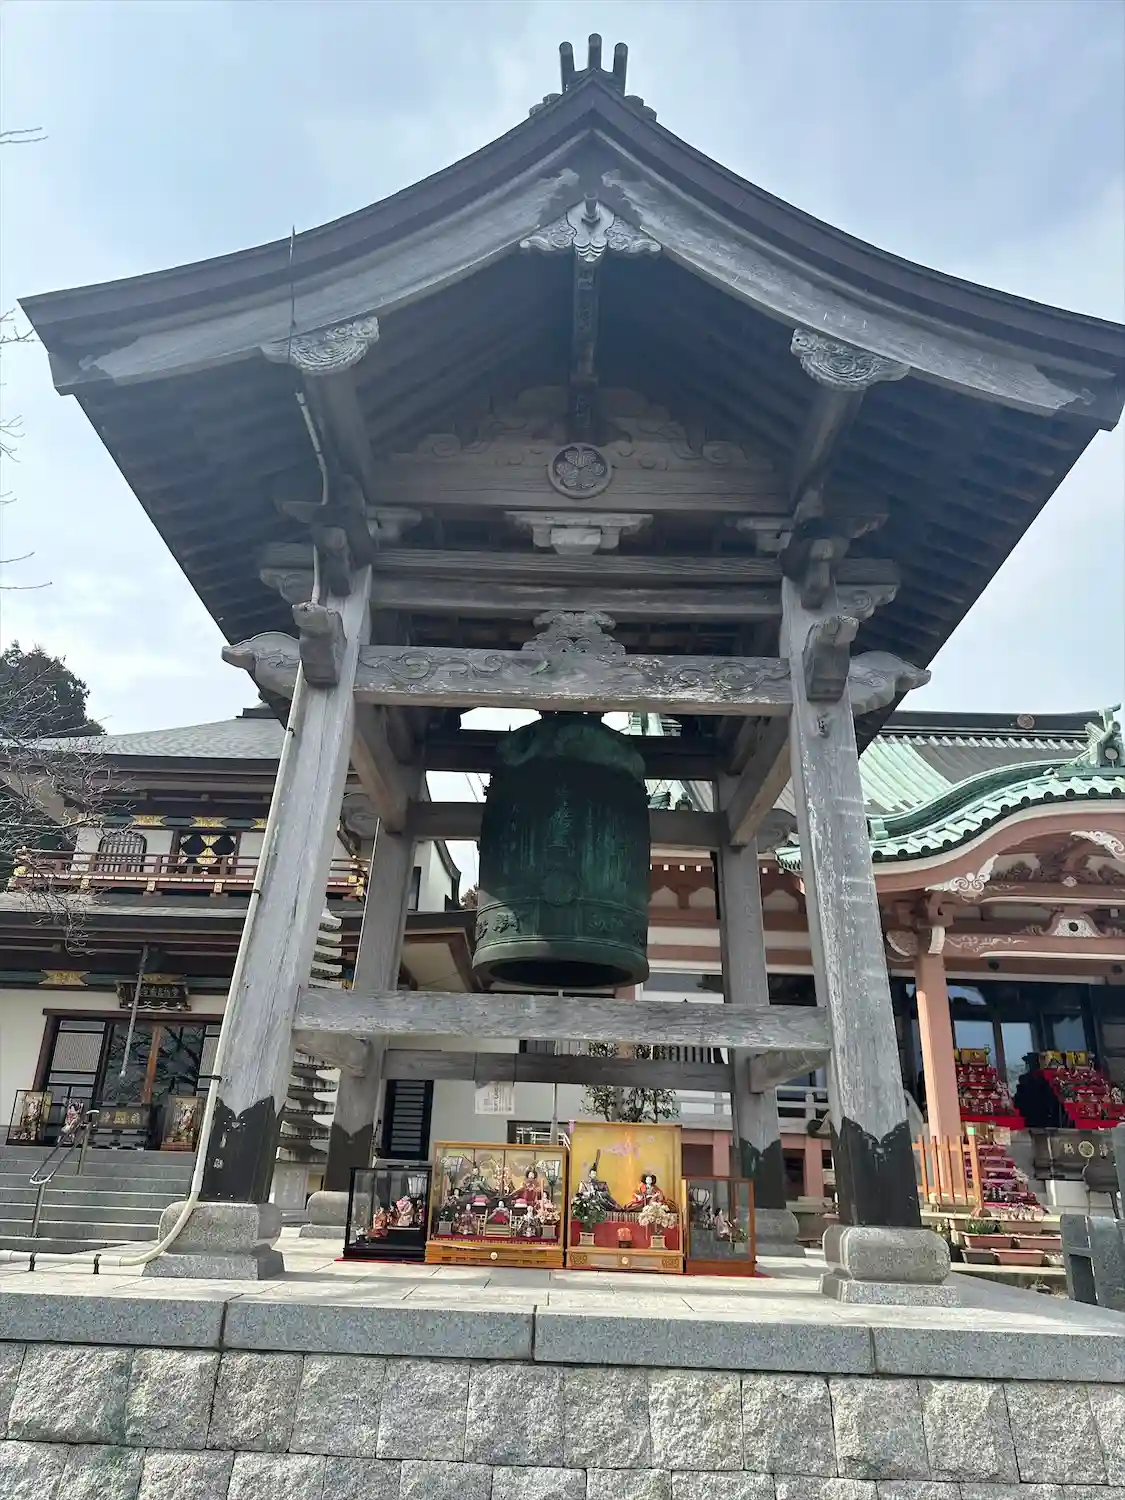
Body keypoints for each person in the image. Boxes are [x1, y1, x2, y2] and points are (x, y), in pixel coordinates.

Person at [1013, 1053, 1064, 1129]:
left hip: (1035, 1119)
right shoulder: (1038, 1080)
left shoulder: (1038, 1080)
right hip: (1037, 1119)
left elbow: (1018, 1101)